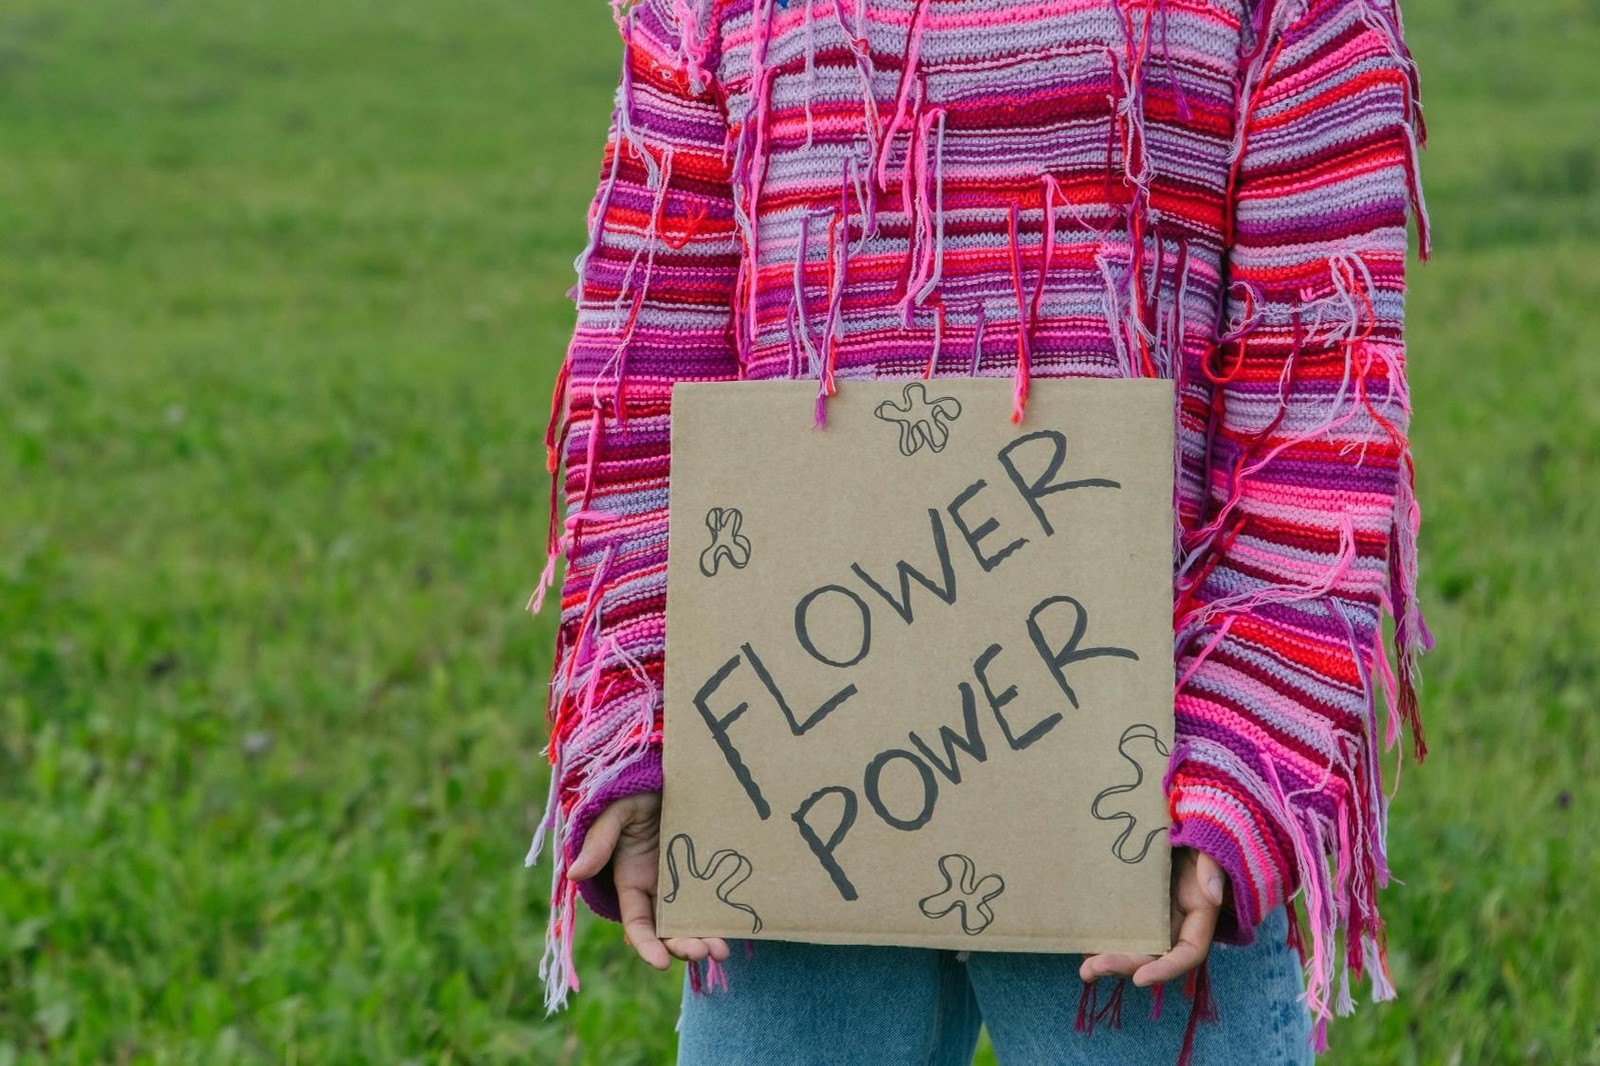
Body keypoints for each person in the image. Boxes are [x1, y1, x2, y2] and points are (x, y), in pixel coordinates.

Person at [526, 0, 1435, 1061]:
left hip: (1144, 796)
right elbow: (644, 364)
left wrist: (1246, 756)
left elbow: (1318, 394)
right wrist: (637, 722)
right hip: (789, 774)